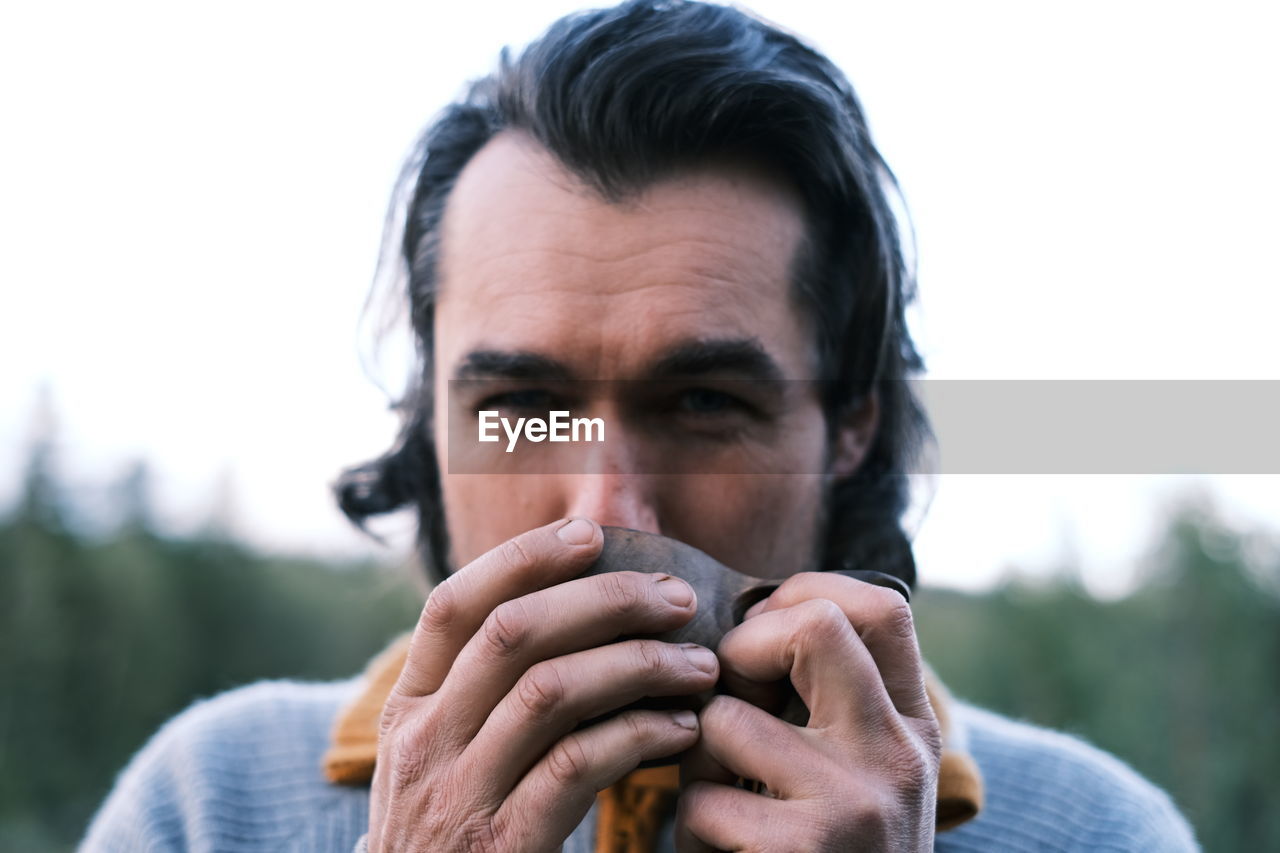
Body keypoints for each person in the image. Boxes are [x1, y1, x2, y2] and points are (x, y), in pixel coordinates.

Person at [81, 1, 1198, 850]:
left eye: (703, 404)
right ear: (429, 425)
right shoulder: (210, 803)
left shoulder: (1095, 828)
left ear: (851, 423)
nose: (606, 511)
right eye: (520, 409)